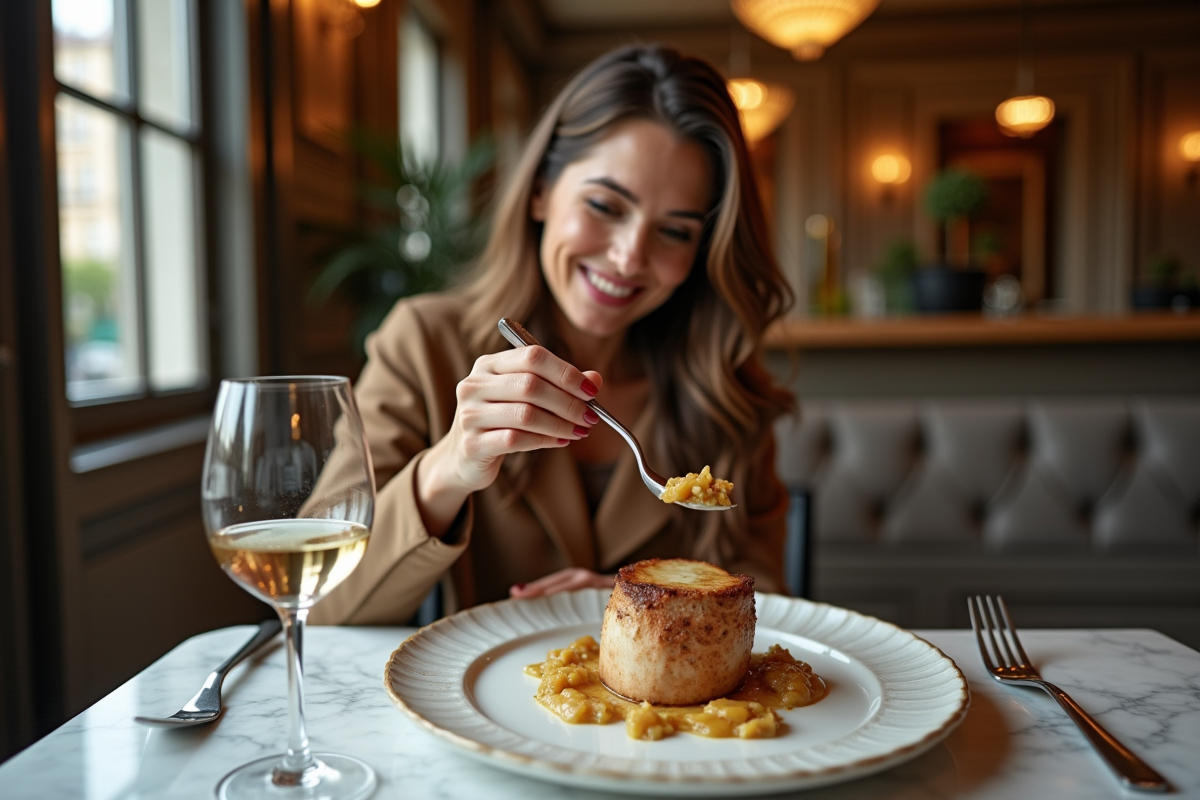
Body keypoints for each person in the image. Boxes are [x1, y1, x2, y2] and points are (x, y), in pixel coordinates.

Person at [311, 43, 794, 625]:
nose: (628, 256)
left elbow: (772, 597)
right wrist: (450, 467)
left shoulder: (726, 385)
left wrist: (649, 603)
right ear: (540, 188)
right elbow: (321, 601)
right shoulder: (423, 343)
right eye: (605, 205)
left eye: (674, 231)